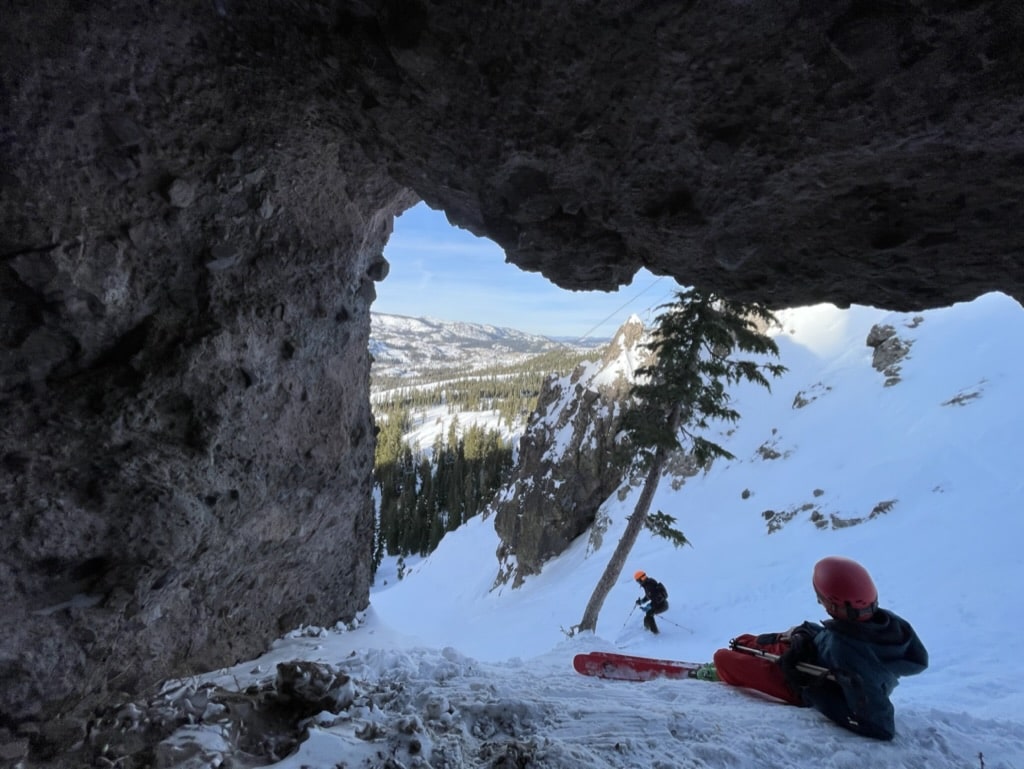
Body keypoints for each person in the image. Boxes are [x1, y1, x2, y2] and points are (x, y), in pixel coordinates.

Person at [709, 555, 928, 740]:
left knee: (723, 659)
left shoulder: (847, 653)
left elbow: (880, 725)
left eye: (821, 600)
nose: (820, 604)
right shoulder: (891, 625)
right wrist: (806, 634)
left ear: (834, 605)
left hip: (801, 682)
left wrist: (809, 689)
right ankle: (743, 656)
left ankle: (716, 672)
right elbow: (843, 639)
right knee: (744, 640)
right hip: (810, 658)